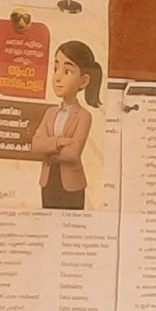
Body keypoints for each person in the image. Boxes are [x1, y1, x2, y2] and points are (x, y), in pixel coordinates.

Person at [35, 40, 102, 209]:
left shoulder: (84, 116)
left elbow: (73, 154)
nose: (57, 77)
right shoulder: (50, 113)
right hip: (48, 182)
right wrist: (59, 142)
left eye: (67, 71)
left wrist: (47, 149)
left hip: (72, 186)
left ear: (84, 81)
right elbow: (35, 145)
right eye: (55, 68)